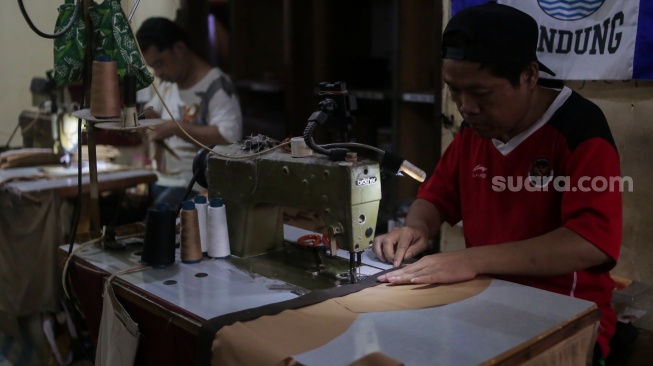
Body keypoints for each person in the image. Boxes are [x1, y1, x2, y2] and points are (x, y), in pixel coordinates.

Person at [372, 3, 621, 365]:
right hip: (485, 299)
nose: (465, 107)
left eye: (481, 94)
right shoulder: (477, 130)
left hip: (566, 315)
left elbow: (590, 242)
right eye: (454, 91)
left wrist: (471, 260)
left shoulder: (579, 130)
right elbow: (437, 196)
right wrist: (415, 228)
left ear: (529, 75)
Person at [136, 17, 243, 209]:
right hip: (162, 179)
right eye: (153, 67)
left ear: (179, 49)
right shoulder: (169, 82)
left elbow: (229, 138)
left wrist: (175, 128)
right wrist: (141, 117)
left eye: (160, 63)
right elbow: (152, 111)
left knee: (156, 223)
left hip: (194, 185)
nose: (158, 72)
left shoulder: (217, 86)